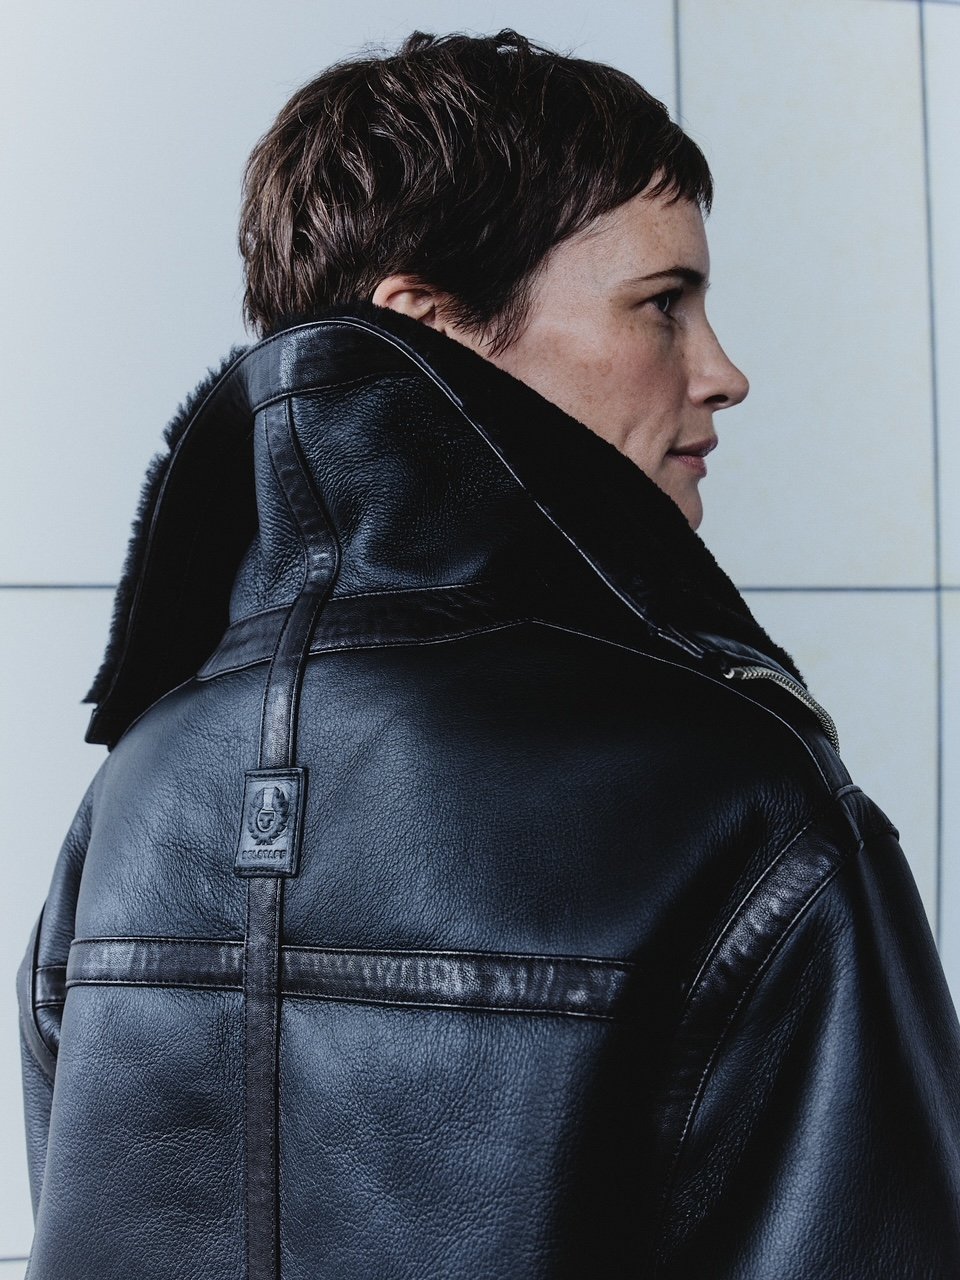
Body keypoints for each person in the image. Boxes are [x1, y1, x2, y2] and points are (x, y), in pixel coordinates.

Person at [17, 28, 960, 1280]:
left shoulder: (138, 786)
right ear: (432, 328)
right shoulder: (737, 801)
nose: (724, 373)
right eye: (662, 304)